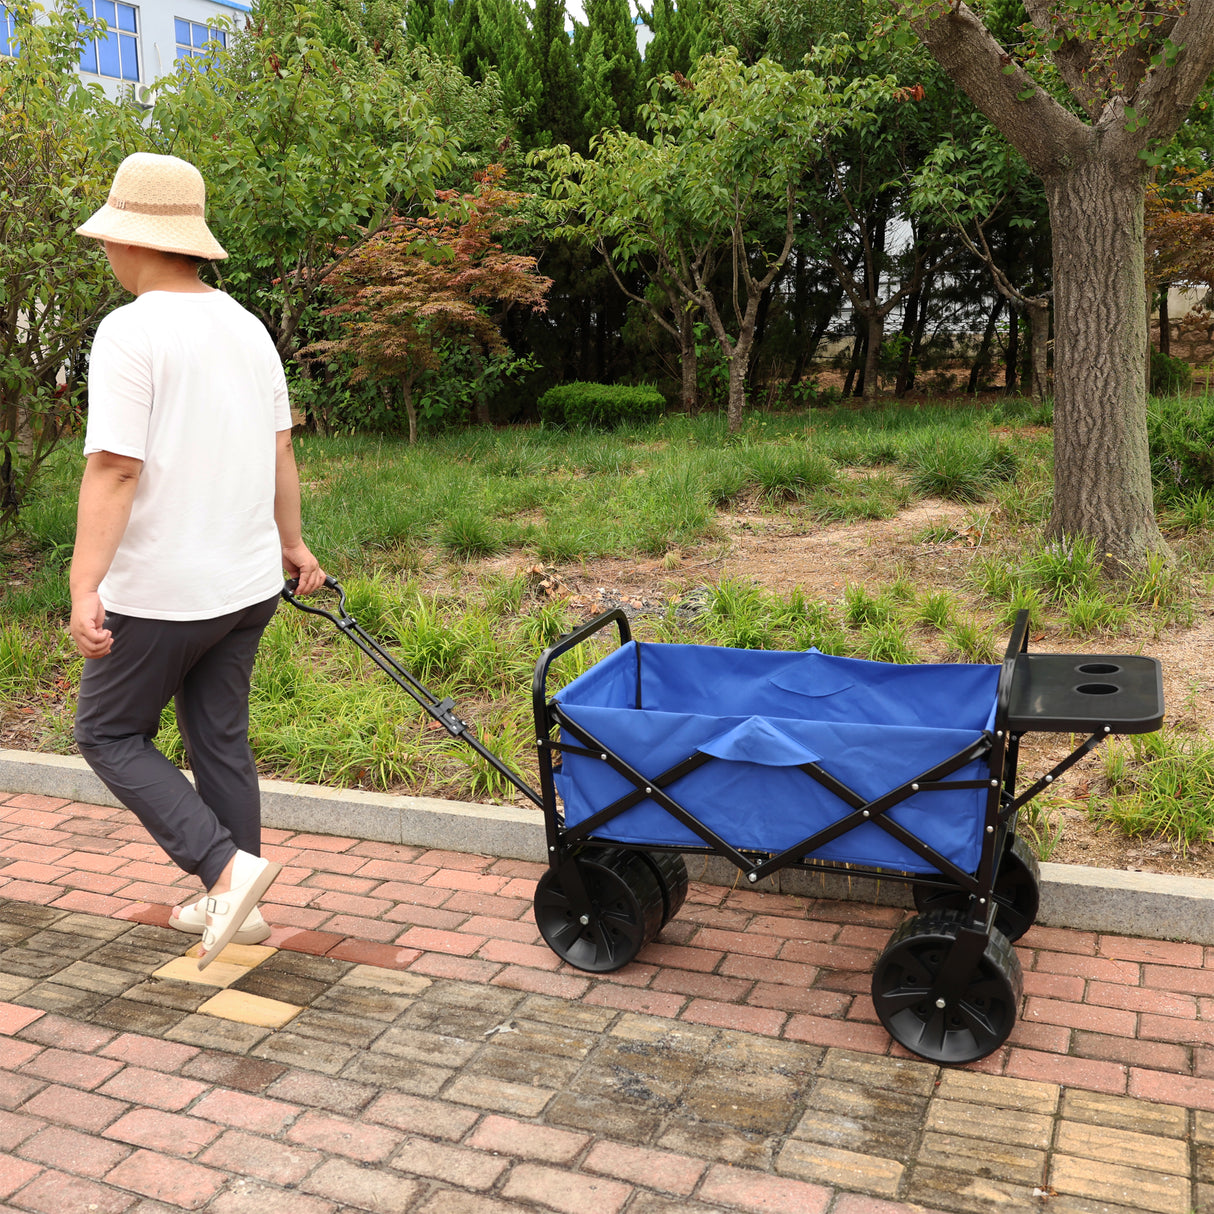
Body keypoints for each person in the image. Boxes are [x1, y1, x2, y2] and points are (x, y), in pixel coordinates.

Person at [69, 152, 325, 969]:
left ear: (131, 241)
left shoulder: (131, 330)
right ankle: (236, 911)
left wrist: (83, 584)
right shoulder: (247, 327)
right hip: (248, 584)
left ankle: (223, 870)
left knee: (107, 733)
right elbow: (281, 450)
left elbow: (114, 467)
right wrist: (292, 543)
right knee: (219, 740)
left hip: (165, 592)